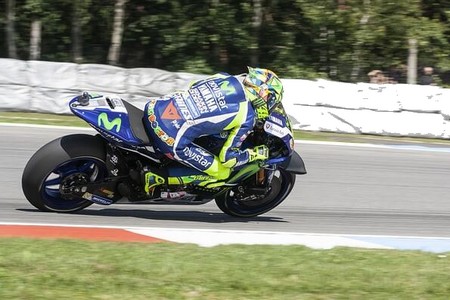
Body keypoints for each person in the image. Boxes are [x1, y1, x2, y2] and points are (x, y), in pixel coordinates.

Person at [142, 67, 284, 194]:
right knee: (223, 172)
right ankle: (158, 176)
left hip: (155, 107)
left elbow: (194, 86)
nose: (270, 106)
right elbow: (228, 158)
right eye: (271, 101)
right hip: (169, 135)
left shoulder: (225, 77)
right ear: (263, 94)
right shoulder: (246, 116)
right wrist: (254, 154)